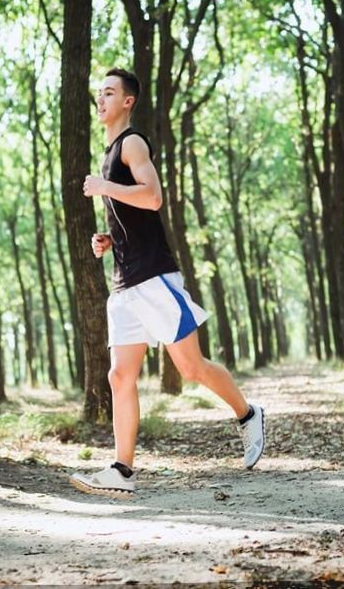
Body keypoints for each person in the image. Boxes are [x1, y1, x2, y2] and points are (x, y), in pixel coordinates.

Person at [69, 68, 266, 497]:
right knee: (120, 375)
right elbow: (131, 214)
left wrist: (104, 186)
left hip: (154, 277)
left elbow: (153, 196)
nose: (100, 100)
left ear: (127, 102)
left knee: (191, 368)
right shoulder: (107, 154)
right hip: (124, 284)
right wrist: (107, 239)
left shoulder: (132, 143)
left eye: (109, 93)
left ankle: (249, 415)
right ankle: (122, 470)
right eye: (98, 94)